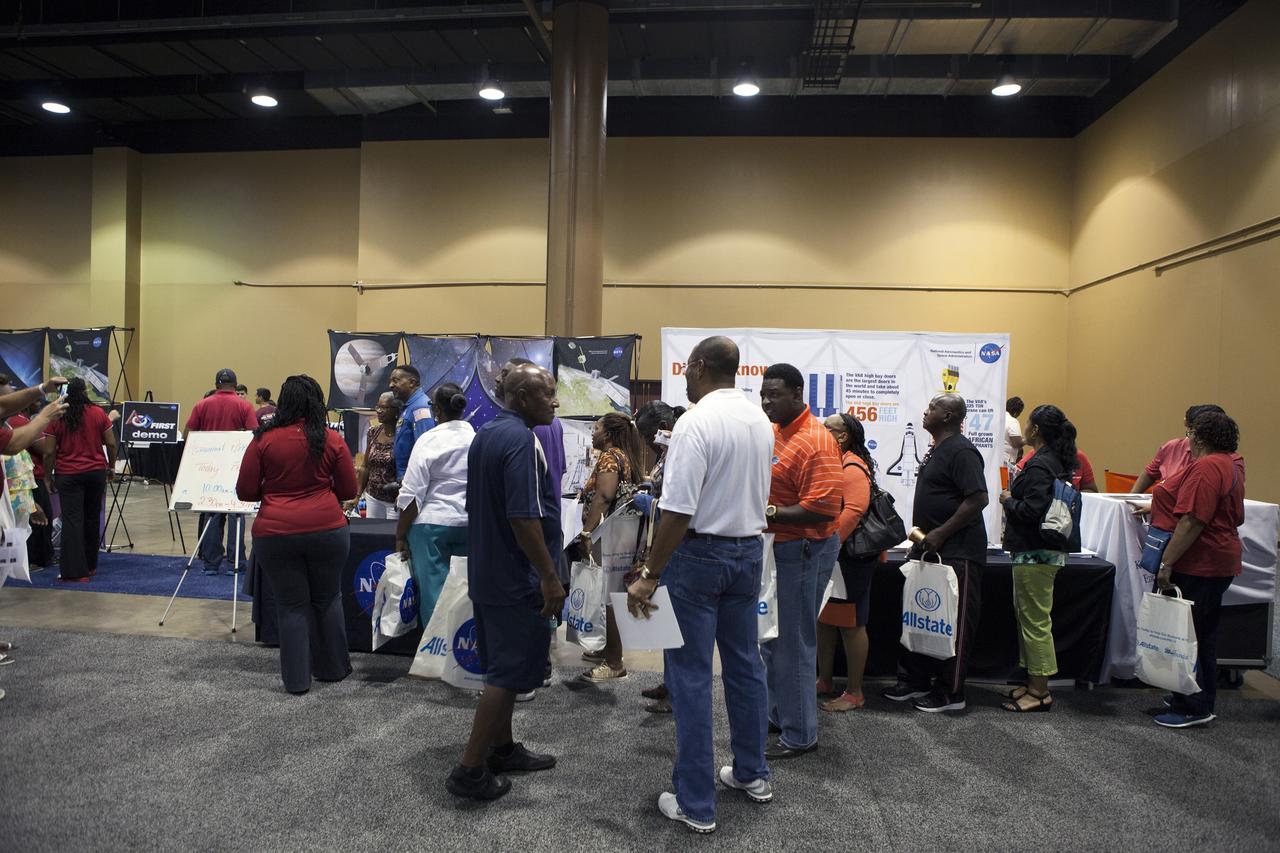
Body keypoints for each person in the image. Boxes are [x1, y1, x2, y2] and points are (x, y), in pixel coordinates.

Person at [625, 336, 774, 834]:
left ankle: (695, 802)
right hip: (748, 552)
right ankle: (753, 773)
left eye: (688, 368)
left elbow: (678, 510)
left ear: (701, 366)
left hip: (699, 556)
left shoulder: (696, 421)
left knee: (688, 675)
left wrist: (649, 574)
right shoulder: (758, 419)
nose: (684, 377)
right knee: (744, 665)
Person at [446, 363, 564, 802]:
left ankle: (502, 748)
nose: (554, 402)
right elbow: (523, 517)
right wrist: (550, 578)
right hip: (517, 579)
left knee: (505, 669)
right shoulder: (518, 440)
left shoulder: (488, 434)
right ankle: (470, 769)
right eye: (547, 393)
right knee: (506, 674)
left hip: (491, 574)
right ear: (521, 398)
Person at [236, 375, 358, 695]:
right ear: (317, 402)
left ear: (283, 402)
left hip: (276, 532)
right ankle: (332, 669)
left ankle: (296, 681)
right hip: (328, 530)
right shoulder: (331, 440)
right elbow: (348, 489)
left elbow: (245, 491)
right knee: (328, 598)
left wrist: (274, 490)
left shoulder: (264, 440)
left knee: (291, 605)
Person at [883, 393, 989, 713]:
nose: (925, 411)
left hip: (958, 552)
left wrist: (941, 532)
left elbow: (978, 499)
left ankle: (951, 693)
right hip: (929, 549)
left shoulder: (962, 450)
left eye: (933, 407)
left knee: (953, 624)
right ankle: (916, 680)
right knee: (923, 618)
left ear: (949, 416)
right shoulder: (936, 449)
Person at [758, 363, 842, 759]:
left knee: (793, 643)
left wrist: (766, 512)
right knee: (773, 639)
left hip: (803, 550)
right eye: (762, 394)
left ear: (796, 393)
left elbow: (824, 509)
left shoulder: (816, 440)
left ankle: (800, 733)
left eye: (774, 395)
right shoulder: (777, 432)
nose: (766, 402)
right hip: (779, 550)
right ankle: (780, 714)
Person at [1149, 409, 1245, 728]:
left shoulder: (1205, 468)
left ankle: (1193, 706)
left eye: (1190, 434)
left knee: (1188, 634)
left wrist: (1167, 562)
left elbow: (1192, 521)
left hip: (1201, 562)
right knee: (1203, 634)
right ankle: (1197, 697)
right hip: (1221, 559)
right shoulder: (1229, 465)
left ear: (1200, 437)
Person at [999, 404, 1082, 713]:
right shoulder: (1052, 461)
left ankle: (1040, 690)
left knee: (1034, 621)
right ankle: (1034, 681)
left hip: (1035, 553)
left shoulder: (1039, 465)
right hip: (1042, 553)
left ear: (1034, 430)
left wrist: (1008, 500)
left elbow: (1032, 510)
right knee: (1030, 617)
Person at [571, 412, 645, 683]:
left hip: (607, 535)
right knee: (610, 596)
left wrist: (587, 532)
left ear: (609, 434)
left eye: (597, 427)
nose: (593, 431)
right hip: (618, 535)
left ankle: (614, 662)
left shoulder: (609, 457)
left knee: (609, 599)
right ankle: (606, 650)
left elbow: (604, 495)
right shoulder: (622, 456)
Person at [817, 413, 881, 713]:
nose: (820, 431)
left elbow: (853, 510)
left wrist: (828, 545)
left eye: (826, 428)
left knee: (851, 625)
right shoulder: (839, 462)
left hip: (849, 558)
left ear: (842, 436)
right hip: (837, 556)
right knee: (826, 621)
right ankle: (825, 680)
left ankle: (855, 692)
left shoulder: (852, 466)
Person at [395, 383, 473, 626]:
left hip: (431, 527)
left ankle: (435, 656)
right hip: (469, 525)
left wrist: (400, 535)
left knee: (434, 597)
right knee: (464, 595)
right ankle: (462, 658)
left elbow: (411, 494)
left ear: (436, 410)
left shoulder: (429, 440)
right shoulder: (477, 438)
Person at [632, 400, 685, 714]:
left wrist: (651, 503)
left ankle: (675, 693)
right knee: (666, 618)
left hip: (675, 545)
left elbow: (675, 505)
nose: (648, 442)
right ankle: (669, 682)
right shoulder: (666, 453)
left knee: (677, 622)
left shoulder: (679, 452)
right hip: (663, 541)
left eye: (648, 435)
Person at [185, 368, 258, 575]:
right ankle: (236, 563)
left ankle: (210, 563)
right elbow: (254, 435)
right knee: (236, 513)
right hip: (235, 467)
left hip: (209, 468)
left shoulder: (202, 405)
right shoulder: (244, 405)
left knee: (212, 514)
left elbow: (188, 432)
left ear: (216, 385)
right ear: (235, 386)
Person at [45, 378, 116, 583]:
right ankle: (91, 565)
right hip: (95, 473)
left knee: (72, 520)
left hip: (68, 475)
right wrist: (111, 467)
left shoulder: (58, 416)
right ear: (85, 392)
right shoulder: (97, 413)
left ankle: (76, 571)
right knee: (92, 518)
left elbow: (49, 452)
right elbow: (110, 443)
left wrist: (48, 476)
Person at [1132, 404, 1245, 494]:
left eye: (1192, 431)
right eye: (1189, 430)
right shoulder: (1172, 447)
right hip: (1162, 516)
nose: (1189, 436)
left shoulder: (1231, 461)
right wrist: (1130, 499)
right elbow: (1150, 473)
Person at [345, 392, 402, 519]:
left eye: (384, 408)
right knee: (374, 536)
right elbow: (365, 466)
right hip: (373, 497)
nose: (379, 411)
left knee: (391, 537)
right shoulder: (373, 432)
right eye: (378, 406)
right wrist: (358, 496)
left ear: (396, 410)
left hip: (394, 500)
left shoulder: (403, 435)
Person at [388, 364, 435, 480]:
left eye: (395, 381)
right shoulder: (408, 406)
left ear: (412, 383)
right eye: (390, 381)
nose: (391, 385)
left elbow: (424, 452)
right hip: (405, 479)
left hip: (413, 481)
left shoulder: (420, 408)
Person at [1016, 443, 1098, 492]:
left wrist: (1074, 496)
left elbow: (1092, 491)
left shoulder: (1079, 457)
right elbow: (1015, 476)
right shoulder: (1034, 455)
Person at [1004, 397, 1025, 467]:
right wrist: (1028, 439)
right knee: (1004, 478)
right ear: (1016, 413)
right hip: (1005, 463)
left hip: (995, 460)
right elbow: (1017, 443)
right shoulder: (1012, 421)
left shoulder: (999, 417)